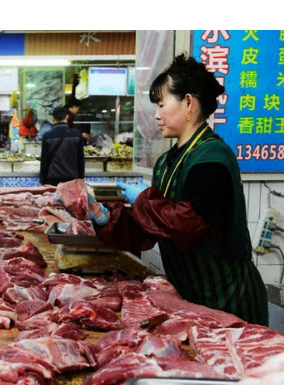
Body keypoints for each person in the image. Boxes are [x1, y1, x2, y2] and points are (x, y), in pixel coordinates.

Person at [88, 53, 268, 326]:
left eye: (161, 105)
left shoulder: (211, 158)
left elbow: (185, 224)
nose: (157, 115)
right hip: (188, 294)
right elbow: (150, 229)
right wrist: (107, 218)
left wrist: (144, 201)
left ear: (188, 103)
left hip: (227, 296)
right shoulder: (166, 161)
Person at [39, 106, 85, 186]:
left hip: (52, 180)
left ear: (53, 119)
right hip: (72, 180)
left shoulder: (47, 136)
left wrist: (43, 180)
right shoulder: (76, 134)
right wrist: (81, 178)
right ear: (67, 117)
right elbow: (81, 160)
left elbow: (44, 161)